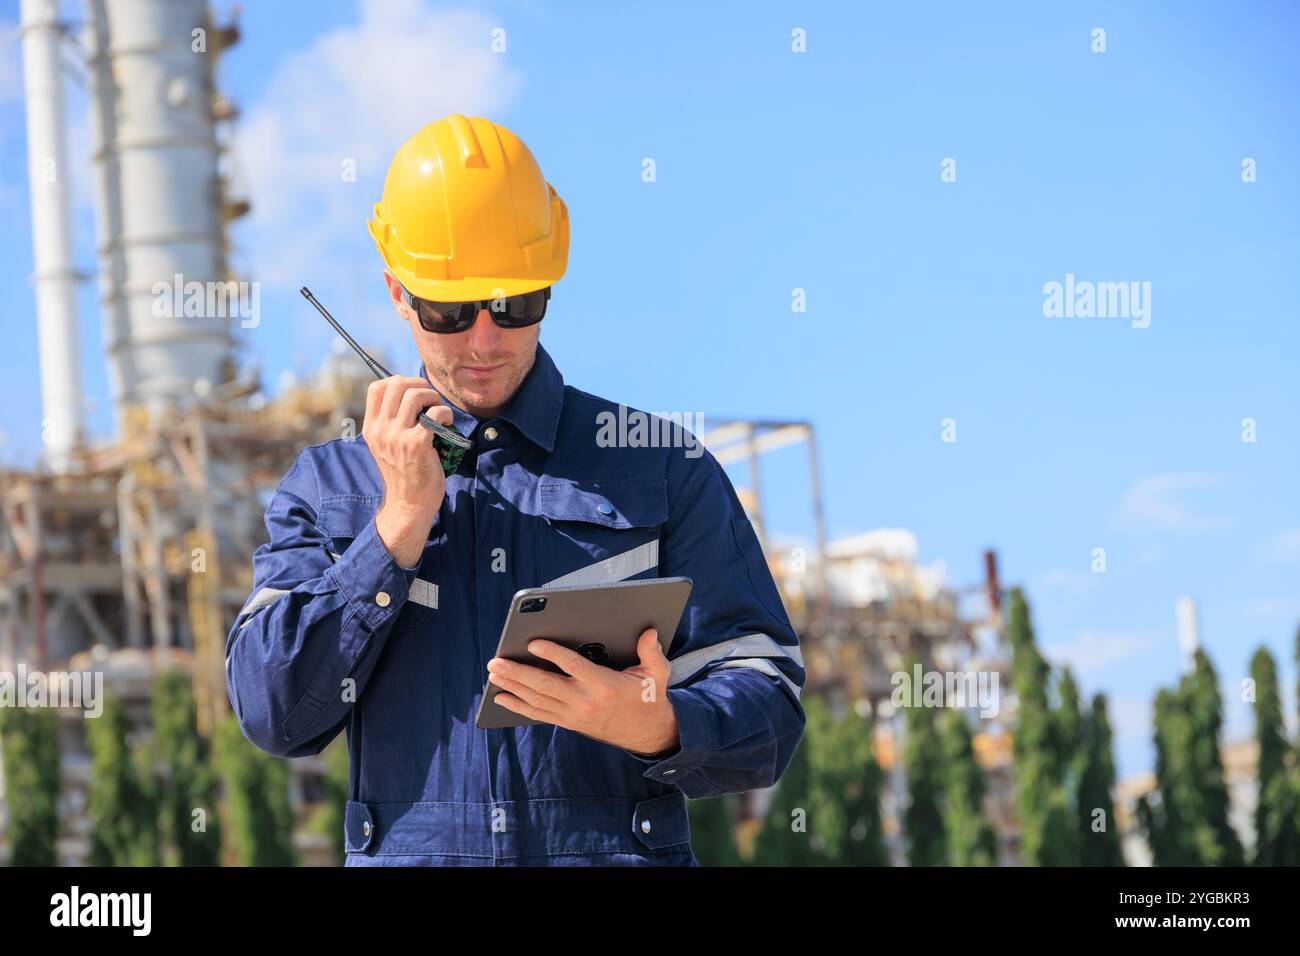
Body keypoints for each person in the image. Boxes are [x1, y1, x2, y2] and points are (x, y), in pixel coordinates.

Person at [225, 113, 805, 866]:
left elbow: (770, 699)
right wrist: (396, 527)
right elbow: (273, 714)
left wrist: (661, 724)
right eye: (450, 311)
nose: (485, 340)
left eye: (514, 304)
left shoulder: (661, 468)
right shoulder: (330, 488)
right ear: (398, 293)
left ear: (549, 284)